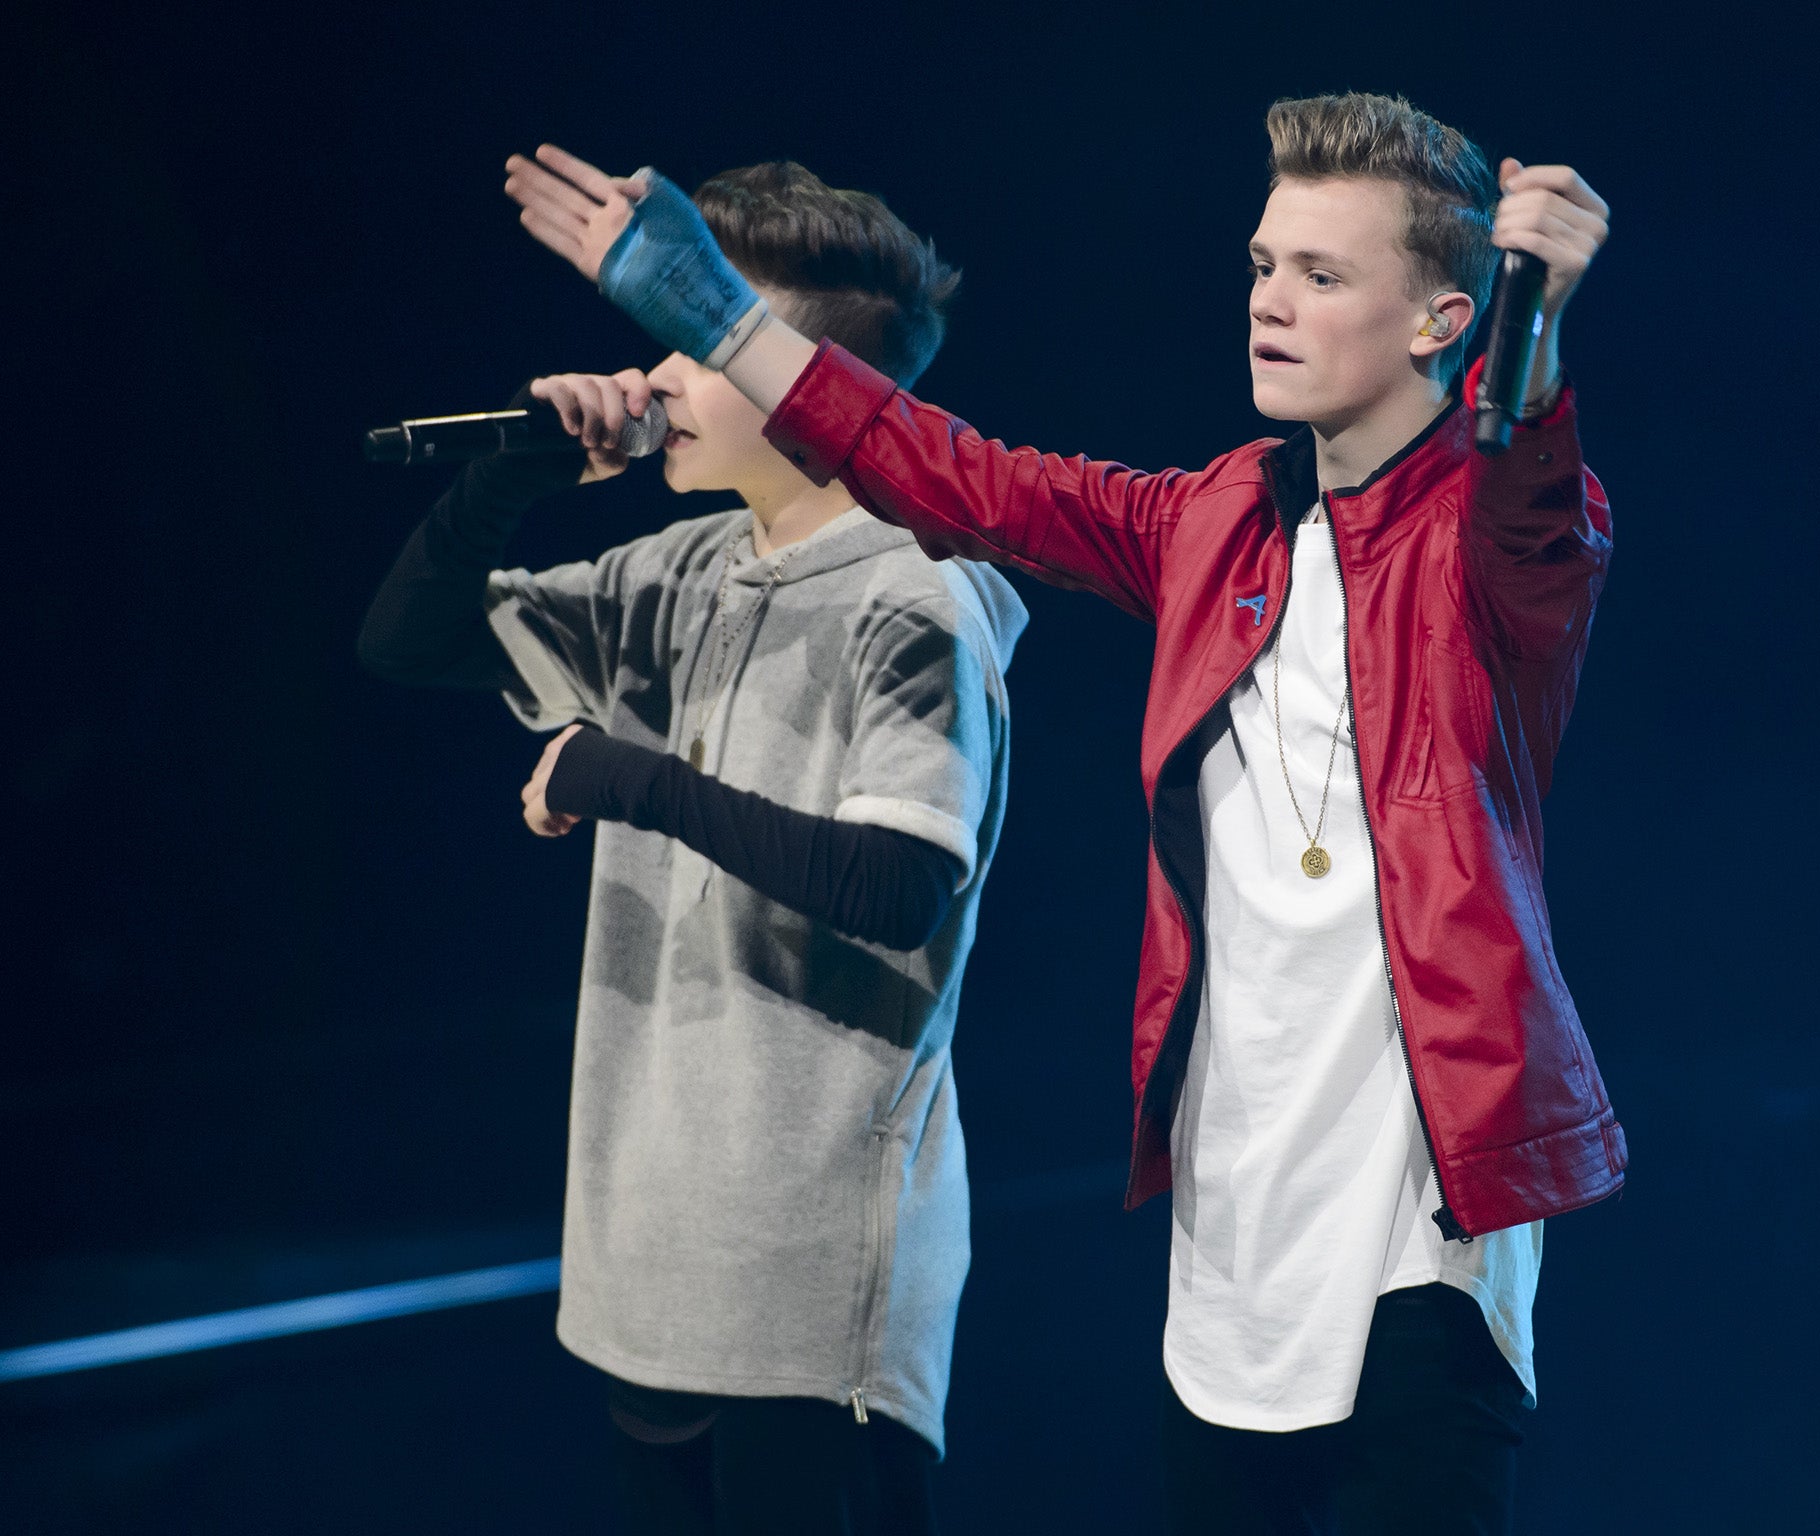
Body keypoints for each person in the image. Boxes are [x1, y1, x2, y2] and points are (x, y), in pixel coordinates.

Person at [507, 88, 1620, 1534]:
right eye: (1260, 267)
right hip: (1228, 1240)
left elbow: (1526, 489)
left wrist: (1532, 333)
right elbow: (961, 478)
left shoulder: (1495, 542)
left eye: (1322, 275)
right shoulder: (1213, 519)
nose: (1270, 303)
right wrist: (718, 317)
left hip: (1422, 1232)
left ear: (1438, 320)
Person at [360, 159, 1026, 1535]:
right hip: (643, 1277)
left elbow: (898, 884)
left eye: (690, 343)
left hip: (804, 1294)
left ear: (797, 380)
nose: (652, 380)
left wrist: (635, 780)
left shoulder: (922, 596)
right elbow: (405, 645)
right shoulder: (683, 569)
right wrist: (514, 475)